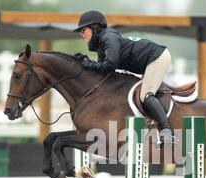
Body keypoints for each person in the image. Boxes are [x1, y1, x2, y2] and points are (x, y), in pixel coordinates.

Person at [73, 10, 176, 145]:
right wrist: (86, 63)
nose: (81, 34)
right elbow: (104, 72)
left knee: (146, 95)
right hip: (147, 61)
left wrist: (88, 64)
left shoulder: (108, 38)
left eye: (83, 30)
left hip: (157, 57)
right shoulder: (102, 43)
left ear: (94, 27)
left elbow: (110, 65)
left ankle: (166, 133)